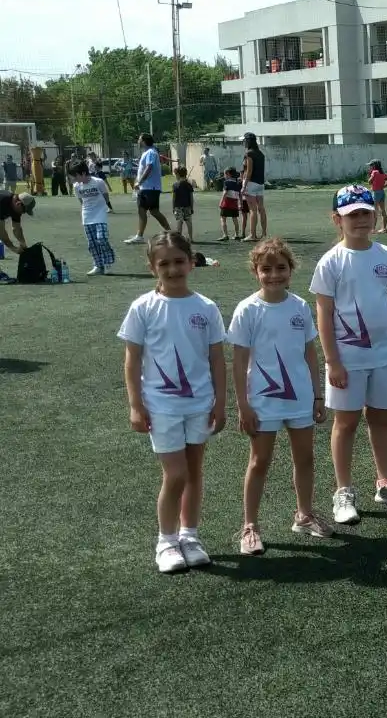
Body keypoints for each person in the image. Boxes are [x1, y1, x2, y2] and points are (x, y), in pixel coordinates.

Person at [310, 184, 387, 524]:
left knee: (380, 419)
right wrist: (332, 360)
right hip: (348, 359)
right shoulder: (331, 262)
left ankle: (385, 484)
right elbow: (324, 315)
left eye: (365, 213)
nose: (360, 220)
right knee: (346, 423)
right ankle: (343, 492)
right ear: (337, 220)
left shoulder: (386, 256)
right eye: (351, 215)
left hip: (384, 355)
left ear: (375, 215)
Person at [118, 232, 226, 573]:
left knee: (194, 472)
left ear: (191, 262)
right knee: (175, 474)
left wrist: (220, 403)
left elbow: (216, 360)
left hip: (200, 404)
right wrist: (136, 404)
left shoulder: (206, 308)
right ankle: (166, 542)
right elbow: (132, 360)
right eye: (164, 263)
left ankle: (190, 536)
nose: (173, 269)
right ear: (152, 267)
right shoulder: (143, 308)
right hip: (161, 406)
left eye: (179, 261)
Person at [229, 239, 332, 555]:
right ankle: (250, 526)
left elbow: (309, 353)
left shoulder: (300, 306)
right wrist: (243, 404)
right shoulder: (248, 309)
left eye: (281, 268)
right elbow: (239, 361)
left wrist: (317, 396)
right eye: (266, 269)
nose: (274, 275)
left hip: (300, 398)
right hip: (263, 402)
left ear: (291, 270)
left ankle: (303, 515)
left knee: (305, 458)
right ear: (255, 272)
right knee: (259, 461)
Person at [124, 134, 172, 244]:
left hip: (148, 187)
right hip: (149, 187)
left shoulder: (151, 152)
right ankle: (169, 232)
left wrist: (140, 182)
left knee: (143, 210)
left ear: (144, 141)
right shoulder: (148, 152)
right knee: (153, 211)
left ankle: (140, 236)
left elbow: (149, 167)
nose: (138, 141)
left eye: (139, 139)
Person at [71, 160, 115, 276]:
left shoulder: (98, 182)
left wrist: (101, 208)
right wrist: (87, 209)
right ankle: (97, 264)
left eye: (76, 176)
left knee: (102, 238)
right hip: (87, 215)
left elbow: (106, 196)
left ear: (83, 173)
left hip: (100, 213)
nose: (74, 179)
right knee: (92, 242)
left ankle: (107, 263)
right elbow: (81, 200)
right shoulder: (76, 186)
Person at [241, 132, 268, 241]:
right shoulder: (260, 153)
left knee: (253, 210)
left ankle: (252, 235)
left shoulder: (249, 153)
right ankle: (264, 233)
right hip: (260, 184)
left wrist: (244, 185)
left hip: (251, 183)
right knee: (261, 208)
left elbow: (249, 171)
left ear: (247, 141)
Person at [367, 160, 387, 234]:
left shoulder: (374, 172)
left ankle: (372, 229)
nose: (370, 167)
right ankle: (384, 228)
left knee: (374, 211)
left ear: (374, 165)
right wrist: (384, 185)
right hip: (382, 192)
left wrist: (370, 175)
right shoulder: (382, 173)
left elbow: (369, 182)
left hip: (375, 193)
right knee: (383, 211)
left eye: (371, 165)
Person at [218, 168, 244, 242]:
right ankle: (236, 234)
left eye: (225, 174)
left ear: (228, 174)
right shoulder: (238, 183)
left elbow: (225, 192)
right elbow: (240, 195)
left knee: (223, 218)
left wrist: (221, 201)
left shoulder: (226, 182)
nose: (224, 176)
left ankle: (225, 235)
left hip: (227, 202)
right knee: (235, 218)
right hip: (235, 203)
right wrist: (241, 203)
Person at [171, 166, 195, 243]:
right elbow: (191, 198)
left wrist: (173, 207)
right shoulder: (189, 184)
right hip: (187, 206)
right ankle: (191, 238)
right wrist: (192, 207)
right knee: (189, 222)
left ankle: (179, 238)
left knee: (179, 222)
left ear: (178, 174)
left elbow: (174, 198)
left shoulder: (175, 185)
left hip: (178, 207)